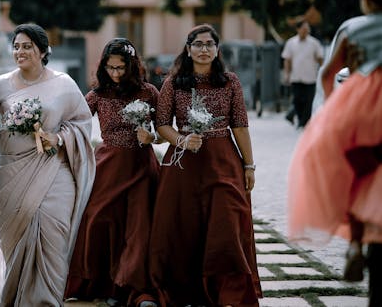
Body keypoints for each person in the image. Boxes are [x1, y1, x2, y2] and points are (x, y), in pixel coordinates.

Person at [287, 0, 382, 304]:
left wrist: (330, 113)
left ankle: (356, 243)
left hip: (363, 115)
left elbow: (328, 74)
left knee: (358, 177)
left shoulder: (354, 27)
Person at [0, 23, 96, 306]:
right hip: (12, 173)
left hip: (53, 169)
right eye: (17, 46)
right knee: (16, 239)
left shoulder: (64, 84)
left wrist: (57, 137)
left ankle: (47, 301)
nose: (20, 52)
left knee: (53, 237)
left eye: (27, 47)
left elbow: (82, 123)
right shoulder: (0, 85)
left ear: (44, 51)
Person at [150, 24, 262, 306]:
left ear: (217, 49)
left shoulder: (230, 81)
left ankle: (227, 291)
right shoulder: (173, 83)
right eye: (197, 44)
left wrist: (249, 166)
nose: (203, 49)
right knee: (184, 225)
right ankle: (186, 291)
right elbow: (162, 124)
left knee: (227, 222)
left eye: (209, 44)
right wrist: (182, 141)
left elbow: (240, 125)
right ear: (188, 49)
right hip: (183, 163)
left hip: (223, 160)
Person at [65, 38, 160, 307]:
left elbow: (165, 129)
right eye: (110, 67)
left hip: (141, 165)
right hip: (108, 165)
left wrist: (151, 136)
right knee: (98, 219)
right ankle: (102, 283)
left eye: (120, 67)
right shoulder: (97, 95)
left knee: (139, 226)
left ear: (132, 66)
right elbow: (74, 122)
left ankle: (133, 288)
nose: (115, 73)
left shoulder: (149, 92)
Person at [281, 20, 324, 127]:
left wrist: (323, 69)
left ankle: (304, 123)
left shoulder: (314, 43)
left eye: (307, 29)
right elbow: (287, 59)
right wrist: (287, 74)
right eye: (303, 29)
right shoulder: (291, 43)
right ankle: (299, 119)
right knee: (297, 101)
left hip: (310, 77)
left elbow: (320, 58)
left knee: (308, 102)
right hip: (296, 77)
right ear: (298, 29)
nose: (306, 31)